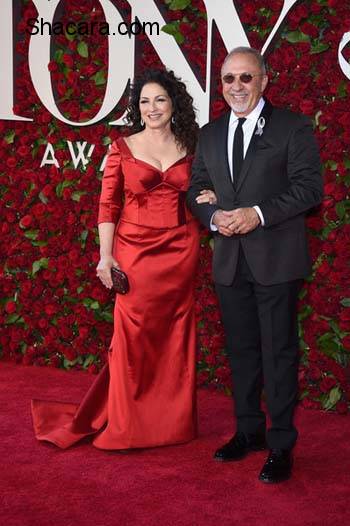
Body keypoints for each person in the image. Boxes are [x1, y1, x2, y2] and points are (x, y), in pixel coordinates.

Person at [31, 69, 200, 450]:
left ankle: (171, 423)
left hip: (181, 249)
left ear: (174, 104)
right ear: (136, 108)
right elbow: (108, 206)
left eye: (159, 99)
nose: (152, 108)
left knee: (174, 334)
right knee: (133, 335)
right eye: (144, 101)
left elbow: (205, 191)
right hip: (135, 251)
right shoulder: (121, 147)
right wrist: (105, 257)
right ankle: (129, 423)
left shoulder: (192, 145)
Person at [187, 47, 323, 483]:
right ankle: (249, 431)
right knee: (242, 352)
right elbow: (196, 189)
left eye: (246, 78)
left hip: (276, 260)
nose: (237, 87)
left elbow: (309, 190)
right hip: (229, 262)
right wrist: (212, 216)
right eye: (229, 79)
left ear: (264, 80)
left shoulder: (291, 127)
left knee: (278, 353)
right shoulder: (209, 134)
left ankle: (281, 443)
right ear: (221, 84)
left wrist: (256, 213)